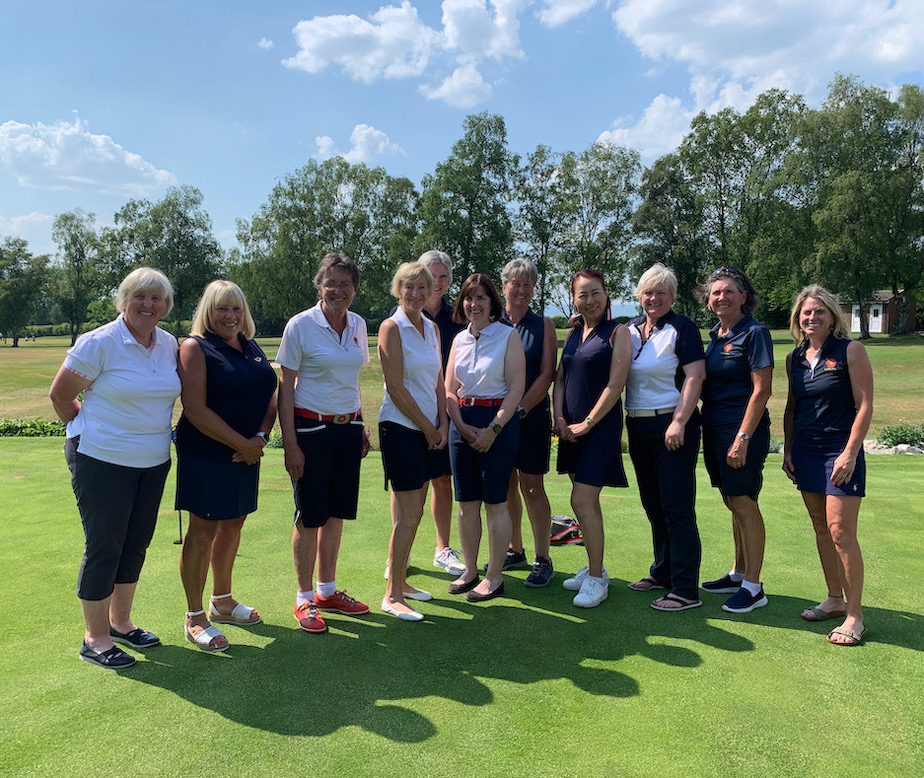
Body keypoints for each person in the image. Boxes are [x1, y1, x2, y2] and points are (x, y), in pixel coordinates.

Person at [49, 267, 181, 668]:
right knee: (105, 545)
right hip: (100, 459)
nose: (148, 304)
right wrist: (84, 427)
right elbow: (61, 395)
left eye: (156, 298)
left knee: (135, 543)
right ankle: (96, 637)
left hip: (153, 461)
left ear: (166, 306)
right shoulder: (100, 342)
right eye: (139, 296)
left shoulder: (168, 343)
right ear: (124, 301)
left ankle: (121, 622)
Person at [176, 280, 278, 651]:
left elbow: (271, 396)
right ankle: (194, 616)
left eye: (236, 308)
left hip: (246, 452)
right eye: (222, 308)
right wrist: (244, 445)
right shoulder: (195, 347)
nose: (230, 316)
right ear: (208, 311)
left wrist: (260, 440)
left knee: (234, 522)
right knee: (203, 529)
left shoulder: (250, 347)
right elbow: (196, 411)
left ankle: (222, 601)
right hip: (207, 453)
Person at [277, 252, 371, 635]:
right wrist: (290, 443)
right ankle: (304, 598)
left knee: (336, 513)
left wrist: (360, 422)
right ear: (319, 286)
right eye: (331, 283)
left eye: (346, 284)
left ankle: (327, 591)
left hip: (348, 430)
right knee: (310, 515)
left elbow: (352, 380)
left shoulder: (359, 324)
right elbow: (286, 388)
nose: (338, 291)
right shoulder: (300, 325)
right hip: (310, 430)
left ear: (354, 289)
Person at [783, 285, 873, 646]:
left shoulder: (851, 350)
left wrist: (850, 453)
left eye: (819, 311)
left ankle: (855, 616)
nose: (812, 318)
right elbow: (792, 408)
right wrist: (788, 449)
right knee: (821, 527)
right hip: (806, 451)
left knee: (840, 532)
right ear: (797, 319)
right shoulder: (795, 358)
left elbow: (865, 405)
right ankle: (834, 598)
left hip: (840, 451)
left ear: (833, 315)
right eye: (806, 313)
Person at [625, 263, 706, 612]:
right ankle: (663, 571)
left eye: (661, 292)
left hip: (673, 427)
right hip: (638, 426)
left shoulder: (682, 328)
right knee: (653, 504)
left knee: (676, 507)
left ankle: (686, 588)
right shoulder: (629, 330)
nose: (653, 297)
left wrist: (679, 420)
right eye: (648, 291)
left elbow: (695, 376)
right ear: (639, 295)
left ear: (672, 296)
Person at [553, 270, 631, 608]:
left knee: (582, 500)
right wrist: (558, 417)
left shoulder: (618, 332)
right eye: (582, 295)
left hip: (598, 429)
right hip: (569, 430)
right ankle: (593, 566)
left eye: (595, 293)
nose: (590, 300)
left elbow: (615, 385)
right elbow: (560, 378)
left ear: (606, 293)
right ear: (574, 298)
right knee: (583, 501)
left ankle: (597, 578)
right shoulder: (573, 332)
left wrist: (586, 423)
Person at [445, 274, 525, 602]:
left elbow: (516, 388)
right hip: (461, 422)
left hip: (498, 423)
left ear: (492, 302)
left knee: (495, 501)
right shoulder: (458, 340)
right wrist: (462, 426)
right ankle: (470, 569)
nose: (473, 304)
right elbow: (449, 389)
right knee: (465, 503)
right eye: (468, 298)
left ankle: (494, 576)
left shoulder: (508, 336)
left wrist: (492, 430)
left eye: (480, 298)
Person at [697, 268, 774, 613]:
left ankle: (754, 587)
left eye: (729, 291)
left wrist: (742, 438)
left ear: (744, 296)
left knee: (743, 502)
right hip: (714, 429)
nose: (721, 297)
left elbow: (762, 389)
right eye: (715, 293)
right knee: (732, 500)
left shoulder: (755, 332)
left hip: (742, 430)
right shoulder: (716, 333)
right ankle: (739, 571)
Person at [378, 263, 449, 621]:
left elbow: (438, 381)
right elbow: (395, 388)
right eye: (410, 287)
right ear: (398, 289)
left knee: (416, 512)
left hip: (429, 429)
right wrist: (428, 427)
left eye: (423, 287)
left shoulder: (432, 328)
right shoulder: (392, 327)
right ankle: (391, 595)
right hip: (401, 428)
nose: (417, 293)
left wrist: (444, 423)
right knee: (407, 515)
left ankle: (403, 583)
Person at [497, 258, 558, 587]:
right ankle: (514, 548)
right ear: (503, 286)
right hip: (497, 419)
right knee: (506, 485)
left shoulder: (543, 324)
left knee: (532, 486)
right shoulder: (493, 322)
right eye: (515, 283)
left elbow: (547, 372)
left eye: (527, 284)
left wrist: (517, 410)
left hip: (530, 417)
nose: (521, 290)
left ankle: (542, 557)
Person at [415, 250, 466, 576]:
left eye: (443, 277)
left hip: (447, 409)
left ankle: (442, 548)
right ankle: (398, 554)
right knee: (409, 486)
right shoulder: (401, 316)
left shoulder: (457, 317)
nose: (437, 283)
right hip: (410, 410)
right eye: (431, 276)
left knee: (443, 481)